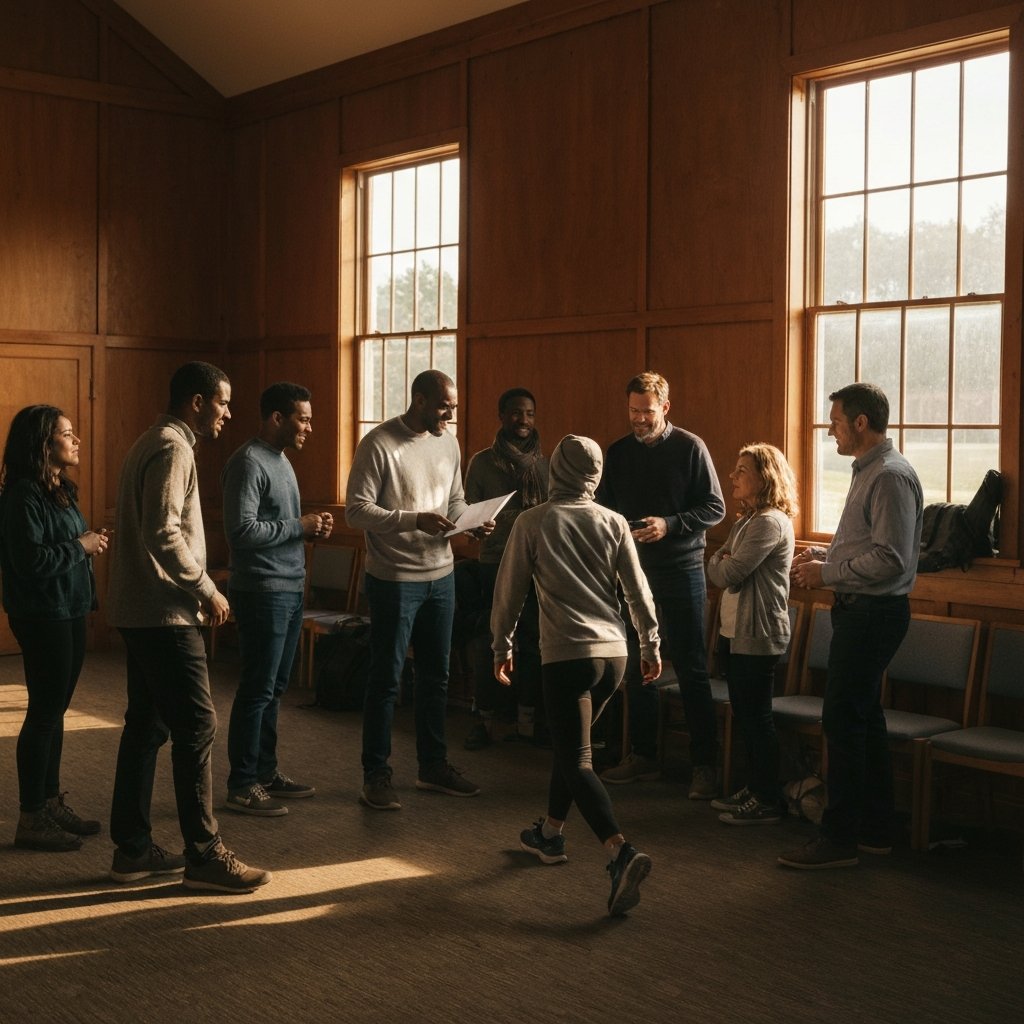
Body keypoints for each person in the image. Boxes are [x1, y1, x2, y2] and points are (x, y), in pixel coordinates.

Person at [107, 361, 271, 892]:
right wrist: (207, 588)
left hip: (144, 610)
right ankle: (203, 854)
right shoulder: (174, 447)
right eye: (221, 402)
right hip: (166, 613)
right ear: (196, 402)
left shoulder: (152, 440)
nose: (227, 412)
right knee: (197, 726)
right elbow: (162, 530)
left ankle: (132, 850)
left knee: (147, 725)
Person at [492, 434, 660, 916]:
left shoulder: (533, 521)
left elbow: (509, 594)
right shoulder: (612, 522)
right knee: (574, 750)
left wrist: (500, 646)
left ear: (555, 471)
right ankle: (549, 834)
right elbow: (638, 591)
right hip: (615, 656)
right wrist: (650, 643)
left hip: (566, 656)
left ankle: (619, 851)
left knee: (577, 758)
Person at [781, 383, 922, 869]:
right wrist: (829, 556)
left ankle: (838, 840)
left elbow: (891, 557)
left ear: (861, 423)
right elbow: (871, 544)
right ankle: (875, 832)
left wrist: (827, 573)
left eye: (836, 421)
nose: (830, 429)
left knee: (842, 721)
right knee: (865, 720)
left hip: (873, 614)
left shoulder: (889, 476)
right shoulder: (870, 471)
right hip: (861, 611)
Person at [346, 369, 493, 810]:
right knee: (387, 680)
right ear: (420, 399)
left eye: (454, 407)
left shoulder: (447, 441)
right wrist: (414, 519)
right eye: (445, 406)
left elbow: (454, 503)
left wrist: (474, 521)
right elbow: (356, 511)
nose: (451, 415)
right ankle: (376, 775)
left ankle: (433, 766)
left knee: (437, 677)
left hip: (441, 575)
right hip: (393, 579)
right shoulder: (379, 444)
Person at [597, 372, 726, 798]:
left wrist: (669, 524)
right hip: (633, 572)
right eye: (633, 411)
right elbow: (605, 509)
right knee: (638, 666)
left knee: (690, 669)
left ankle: (704, 766)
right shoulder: (617, 452)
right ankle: (643, 756)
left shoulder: (691, 447)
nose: (639, 419)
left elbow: (715, 506)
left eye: (647, 412)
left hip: (682, 569)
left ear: (665, 408)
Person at [0, 406, 108, 851]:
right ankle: (31, 818)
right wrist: (81, 546)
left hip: (69, 609)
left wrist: (82, 546)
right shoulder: (23, 494)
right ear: (44, 445)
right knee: (45, 712)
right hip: (42, 612)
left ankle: (50, 802)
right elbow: (31, 562)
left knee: (55, 710)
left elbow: (59, 549)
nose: (76, 439)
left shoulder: (59, 488)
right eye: (67, 434)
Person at [222, 382, 332, 816]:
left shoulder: (281, 460)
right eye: (303, 419)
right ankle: (242, 784)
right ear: (277, 419)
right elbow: (241, 531)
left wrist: (310, 527)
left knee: (275, 689)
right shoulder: (248, 462)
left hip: (289, 589)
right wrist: (299, 527)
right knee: (257, 689)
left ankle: (265, 772)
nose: (309, 427)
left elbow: (281, 524)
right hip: (261, 592)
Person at [705, 444, 797, 825]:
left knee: (757, 718)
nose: (733, 476)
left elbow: (729, 572)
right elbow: (716, 561)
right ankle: (756, 787)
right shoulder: (747, 520)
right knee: (744, 714)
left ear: (764, 477)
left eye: (742, 470)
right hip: (735, 632)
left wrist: (722, 563)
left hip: (758, 633)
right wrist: (720, 561)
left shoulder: (769, 522)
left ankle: (767, 798)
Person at [463, 387, 549, 750]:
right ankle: (483, 719)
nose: (524, 421)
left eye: (529, 413)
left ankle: (528, 721)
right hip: (495, 562)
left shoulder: (548, 464)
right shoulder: (481, 462)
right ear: (502, 416)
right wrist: (476, 524)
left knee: (533, 642)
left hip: (539, 565)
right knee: (492, 640)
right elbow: (467, 514)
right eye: (516, 413)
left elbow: (556, 512)